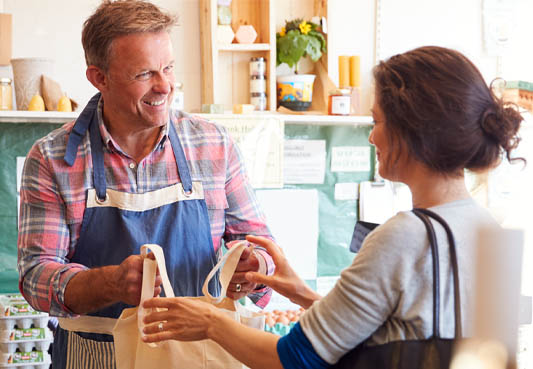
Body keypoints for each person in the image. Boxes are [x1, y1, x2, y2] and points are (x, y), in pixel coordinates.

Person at [141, 45, 525, 368]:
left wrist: (211, 322)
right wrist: (303, 294)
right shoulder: (489, 228)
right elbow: (410, 334)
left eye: (377, 121)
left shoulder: (404, 235)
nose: (372, 136)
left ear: (414, 132)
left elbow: (294, 360)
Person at [17, 1, 274, 368]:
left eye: (168, 68)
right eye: (144, 74)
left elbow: (261, 245)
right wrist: (110, 283)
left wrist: (253, 269)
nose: (165, 86)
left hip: (197, 356)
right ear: (98, 77)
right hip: (95, 356)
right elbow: (35, 275)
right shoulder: (52, 159)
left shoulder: (212, 144)